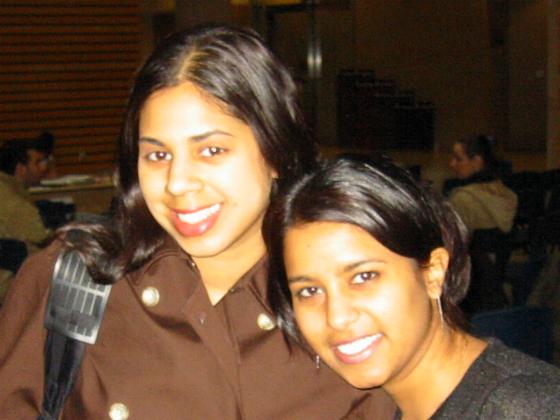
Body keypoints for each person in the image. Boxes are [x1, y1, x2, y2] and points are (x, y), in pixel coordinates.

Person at [0, 26, 394, 419]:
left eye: (211, 150)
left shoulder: (348, 302)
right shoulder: (75, 281)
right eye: (158, 156)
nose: (177, 183)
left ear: (275, 152)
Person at [264, 156, 560, 419]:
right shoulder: (388, 402)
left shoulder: (522, 408)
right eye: (309, 291)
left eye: (364, 277)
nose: (337, 317)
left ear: (433, 273)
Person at [448, 134, 517, 234]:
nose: (451, 164)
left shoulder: (462, 199)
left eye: (458, 159)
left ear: (477, 162)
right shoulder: (508, 194)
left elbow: (454, 239)